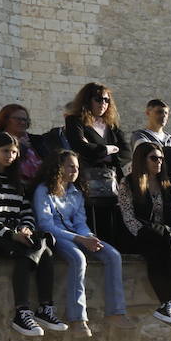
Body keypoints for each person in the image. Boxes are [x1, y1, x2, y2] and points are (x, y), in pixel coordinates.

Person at [33, 149, 133, 335]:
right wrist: (80, 239)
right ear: (58, 167)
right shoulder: (43, 191)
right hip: (56, 237)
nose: (75, 171)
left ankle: (115, 311)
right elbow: (46, 225)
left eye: (77, 167)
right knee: (78, 258)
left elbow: (80, 222)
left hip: (76, 234)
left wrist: (89, 237)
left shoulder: (76, 193)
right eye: (70, 166)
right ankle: (78, 318)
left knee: (112, 255)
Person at [0, 132, 67, 336]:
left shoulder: (17, 183)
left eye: (14, 151)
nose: (10, 155)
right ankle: (22, 312)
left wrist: (25, 228)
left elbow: (26, 212)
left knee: (46, 251)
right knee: (31, 249)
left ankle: (45, 308)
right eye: (5, 151)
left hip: (16, 234)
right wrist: (12, 235)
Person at [118, 142, 171, 325]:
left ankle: (169, 303)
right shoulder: (128, 183)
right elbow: (128, 216)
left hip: (166, 232)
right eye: (153, 158)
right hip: (140, 232)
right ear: (142, 160)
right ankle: (166, 303)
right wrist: (145, 233)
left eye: (161, 158)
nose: (158, 162)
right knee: (159, 248)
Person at [64, 82, 129, 244]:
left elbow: (126, 152)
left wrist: (99, 151)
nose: (103, 104)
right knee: (91, 224)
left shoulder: (112, 126)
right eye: (98, 99)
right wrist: (109, 149)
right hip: (87, 184)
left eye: (106, 100)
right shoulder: (75, 121)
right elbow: (81, 147)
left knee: (111, 228)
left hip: (111, 185)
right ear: (88, 100)